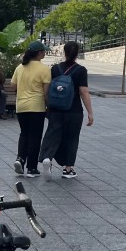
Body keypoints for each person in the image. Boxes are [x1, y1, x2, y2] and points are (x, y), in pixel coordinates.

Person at [39, 41, 93, 179]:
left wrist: (48, 105)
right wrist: (90, 112)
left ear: (64, 52)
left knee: (53, 134)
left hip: (55, 109)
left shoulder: (55, 69)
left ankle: (47, 157)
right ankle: (68, 169)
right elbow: (84, 92)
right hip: (74, 111)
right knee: (72, 138)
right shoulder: (81, 70)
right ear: (77, 54)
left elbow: (48, 89)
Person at [11, 40, 51, 178]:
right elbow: (46, 92)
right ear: (39, 53)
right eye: (44, 51)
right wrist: (48, 106)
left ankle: (20, 159)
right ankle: (32, 168)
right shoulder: (44, 69)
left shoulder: (19, 67)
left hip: (21, 106)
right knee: (35, 137)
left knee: (24, 134)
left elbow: (13, 86)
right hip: (36, 107)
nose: (45, 53)